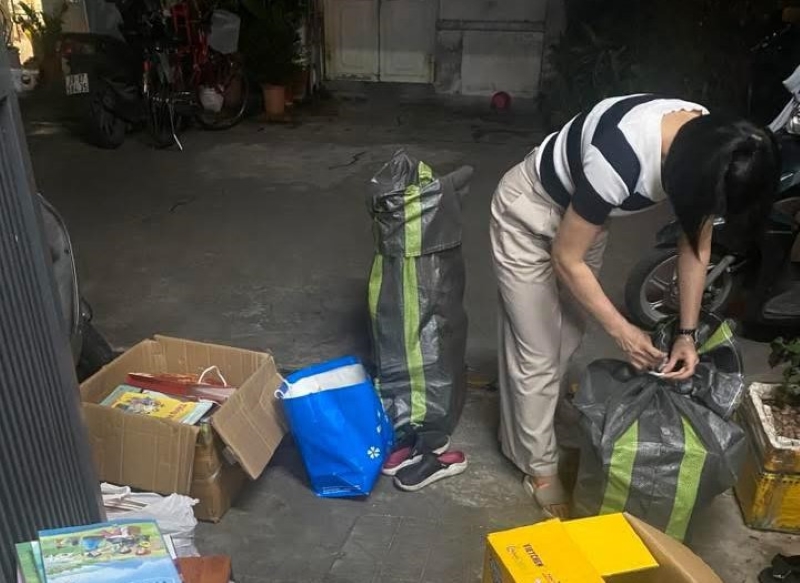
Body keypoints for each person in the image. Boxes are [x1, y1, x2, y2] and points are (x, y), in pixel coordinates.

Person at [489, 94, 780, 518]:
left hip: (585, 221)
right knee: (536, 350)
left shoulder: (713, 146)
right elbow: (567, 258)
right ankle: (538, 467)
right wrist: (623, 331)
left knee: (567, 334)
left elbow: (695, 246)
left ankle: (536, 412)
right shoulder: (621, 156)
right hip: (529, 215)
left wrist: (687, 334)